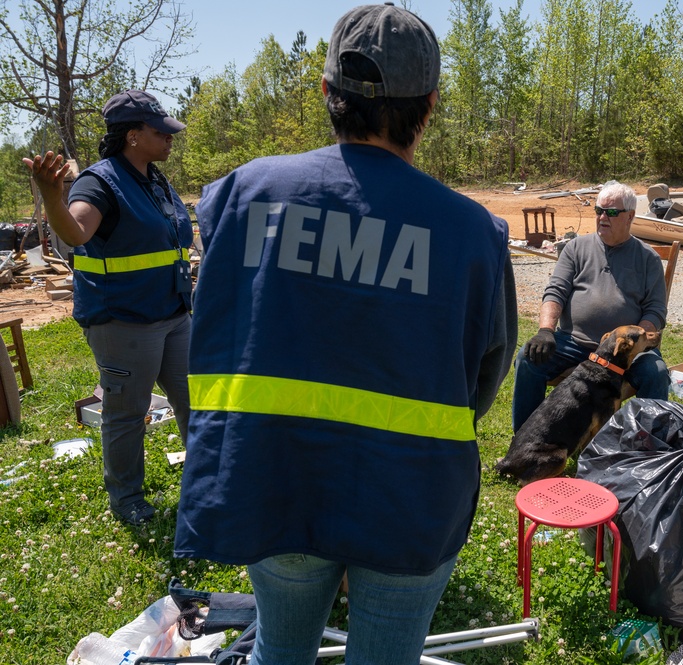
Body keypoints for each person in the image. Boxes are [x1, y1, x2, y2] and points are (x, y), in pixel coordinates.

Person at [172, 4, 517, 665]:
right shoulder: (471, 231)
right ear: (431, 104)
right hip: (409, 491)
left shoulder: (244, 193)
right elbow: (483, 375)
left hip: (272, 476)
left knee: (281, 644)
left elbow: (218, 314)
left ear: (328, 93)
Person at [23, 90, 192, 526]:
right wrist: (51, 195)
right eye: (161, 133)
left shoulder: (154, 179)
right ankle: (128, 499)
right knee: (127, 414)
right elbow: (77, 232)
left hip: (173, 314)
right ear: (133, 136)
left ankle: (207, 478)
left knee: (197, 402)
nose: (170, 139)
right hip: (125, 320)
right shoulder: (99, 183)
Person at [512, 181, 671, 431]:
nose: (602, 217)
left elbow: (656, 310)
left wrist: (633, 345)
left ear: (630, 216)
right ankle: (525, 443)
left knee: (656, 373)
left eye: (611, 212)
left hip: (627, 351)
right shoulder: (576, 248)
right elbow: (556, 291)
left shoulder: (647, 258)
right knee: (527, 360)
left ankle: (647, 446)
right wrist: (545, 330)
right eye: (598, 210)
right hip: (576, 343)